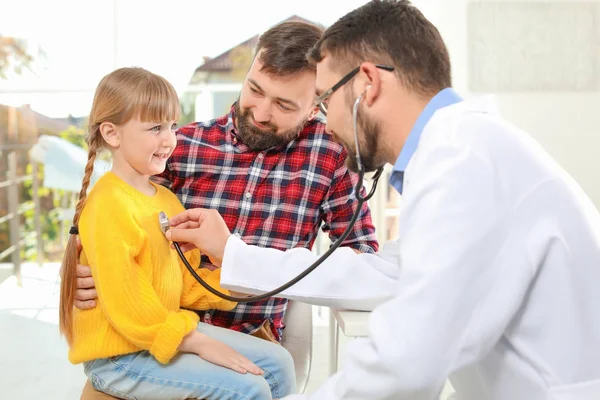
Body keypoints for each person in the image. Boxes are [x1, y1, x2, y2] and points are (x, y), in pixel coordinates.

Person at [164, 1, 600, 399]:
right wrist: (236, 255)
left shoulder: (461, 159)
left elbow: (407, 362)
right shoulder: (462, 148)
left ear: (367, 84)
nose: (326, 121)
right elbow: (382, 275)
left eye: (326, 98)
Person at [72, 21, 379, 345]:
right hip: (162, 336)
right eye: (255, 90)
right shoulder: (180, 146)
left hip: (253, 339)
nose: (261, 112)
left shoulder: (331, 155)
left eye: (284, 105)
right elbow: (109, 227)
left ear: (317, 105)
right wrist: (82, 273)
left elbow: (362, 260)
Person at [59, 66, 296, 400]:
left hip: (160, 333)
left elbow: (186, 284)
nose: (169, 139)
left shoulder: (167, 200)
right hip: (120, 357)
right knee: (249, 387)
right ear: (112, 134)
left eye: (172, 125)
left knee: (279, 363)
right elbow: (130, 308)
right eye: (155, 128)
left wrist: (242, 284)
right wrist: (200, 343)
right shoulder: (108, 204)